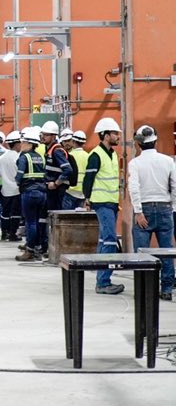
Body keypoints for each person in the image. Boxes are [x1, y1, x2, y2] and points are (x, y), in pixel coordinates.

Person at [127, 125, 175, 301]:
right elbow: (175, 185)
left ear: (138, 143)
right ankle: (167, 288)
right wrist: (174, 207)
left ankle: (144, 289)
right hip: (165, 208)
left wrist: (138, 212)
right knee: (167, 250)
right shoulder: (168, 161)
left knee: (141, 253)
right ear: (155, 140)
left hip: (144, 210)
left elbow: (134, 189)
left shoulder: (135, 163)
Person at [83, 117, 124, 295]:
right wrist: (87, 198)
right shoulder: (95, 155)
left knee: (103, 241)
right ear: (105, 135)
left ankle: (102, 279)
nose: (117, 136)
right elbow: (88, 179)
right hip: (102, 203)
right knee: (109, 240)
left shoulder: (113, 154)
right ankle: (104, 282)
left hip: (111, 203)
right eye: (114, 133)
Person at [15, 127, 48, 261]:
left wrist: (18, 183)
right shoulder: (40, 157)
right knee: (39, 222)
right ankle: (38, 248)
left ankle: (30, 251)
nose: (21, 144)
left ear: (29, 143)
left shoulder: (24, 157)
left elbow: (19, 176)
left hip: (29, 192)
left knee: (30, 223)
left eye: (23, 142)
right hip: (42, 192)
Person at [40, 121, 72, 221]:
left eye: (46, 135)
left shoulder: (56, 151)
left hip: (58, 191)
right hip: (53, 191)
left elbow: (68, 169)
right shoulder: (49, 149)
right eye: (43, 134)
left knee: (56, 217)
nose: (43, 137)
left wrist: (56, 183)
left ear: (54, 136)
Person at [0, 131, 22, 242]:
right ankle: (13, 233)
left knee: (5, 212)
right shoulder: (19, 158)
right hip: (17, 189)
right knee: (15, 213)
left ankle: (4, 233)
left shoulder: (0, 159)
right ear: (16, 144)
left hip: (5, 190)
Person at [62, 130, 89, 210]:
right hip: (82, 192)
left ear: (73, 142)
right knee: (78, 218)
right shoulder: (88, 156)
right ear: (84, 143)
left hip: (70, 191)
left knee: (66, 218)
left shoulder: (69, 156)